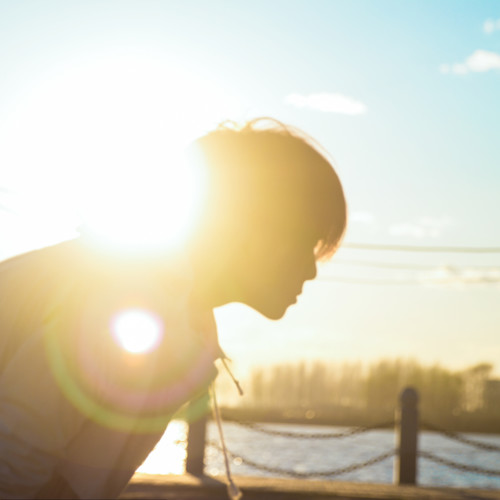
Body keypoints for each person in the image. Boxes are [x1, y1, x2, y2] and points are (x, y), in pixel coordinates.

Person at [0, 117, 347, 499]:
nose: (312, 270)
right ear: (256, 231)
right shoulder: (128, 299)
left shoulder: (172, 309)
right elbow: (12, 466)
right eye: (306, 243)